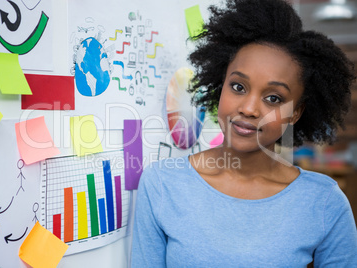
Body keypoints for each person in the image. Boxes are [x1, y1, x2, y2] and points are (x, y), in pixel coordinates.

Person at [131, 0, 357, 267]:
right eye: (238, 86)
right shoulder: (161, 185)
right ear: (220, 84)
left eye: (273, 98)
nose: (249, 109)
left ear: (295, 112)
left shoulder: (324, 203)